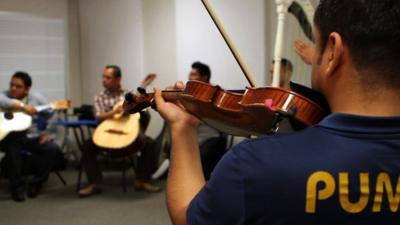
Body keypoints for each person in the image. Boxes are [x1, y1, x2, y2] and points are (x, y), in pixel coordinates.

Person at [154, 0, 400, 224]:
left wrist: (183, 127)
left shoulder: (253, 165)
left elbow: (188, 218)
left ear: (333, 51)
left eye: (317, 45)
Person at [78, 65, 160, 197]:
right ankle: (94, 183)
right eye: (103, 77)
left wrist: (143, 85)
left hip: (126, 132)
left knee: (149, 143)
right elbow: (98, 116)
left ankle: (141, 180)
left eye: (108, 77)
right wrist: (114, 112)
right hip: (107, 133)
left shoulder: (126, 94)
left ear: (118, 79)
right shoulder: (100, 97)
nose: (104, 80)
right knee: (87, 145)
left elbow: (138, 105)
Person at [0, 71, 66, 202]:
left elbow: (52, 114)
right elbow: (3, 101)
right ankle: (17, 187)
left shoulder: (37, 98)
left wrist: (48, 134)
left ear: (27, 89)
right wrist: (23, 106)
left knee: (51, 149)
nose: (13, 88)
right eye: (11, 84)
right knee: (13, 147)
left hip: (32, 136)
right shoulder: (4, 95)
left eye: (18, 86)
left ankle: (36, 183)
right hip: (9, 137)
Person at [188, 61, 227, 180]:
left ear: (204, 77)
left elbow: (223, 117)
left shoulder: (217, 93)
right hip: (194, 134)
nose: (190, 77)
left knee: (205, 153)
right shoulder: (189, 93)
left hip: (211, 136)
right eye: (190, 74)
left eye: (194, 74)